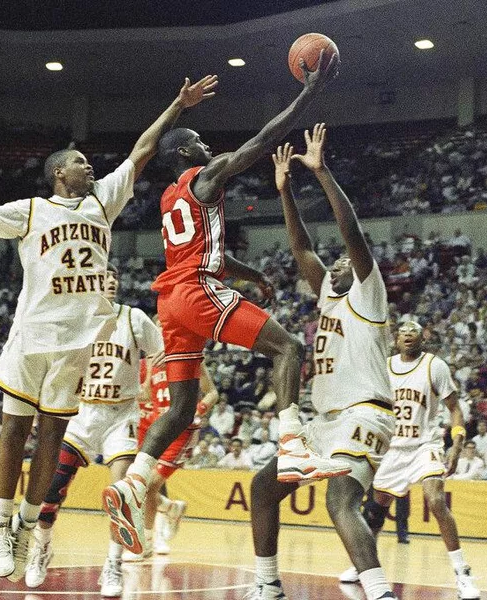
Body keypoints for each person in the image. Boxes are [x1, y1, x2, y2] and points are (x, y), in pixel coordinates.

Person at [0, 74, 218, 582]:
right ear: (60, 173)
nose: (89, 165)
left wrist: (178, 105)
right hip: (32, 332)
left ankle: (30, 523)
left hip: (78, 342)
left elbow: (143, 150)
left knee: (52, 437)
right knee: (15, 428)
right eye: (79, 161)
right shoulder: (31, 210)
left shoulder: (104, 199)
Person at [104, 53, 348, 557]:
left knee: (183, 407)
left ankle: (132, 484)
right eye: (197, 140)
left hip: (170, 300)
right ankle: (291, 444)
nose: (206, 142)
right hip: (195, 292)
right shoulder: (205, 173)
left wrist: (252, 273)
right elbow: (260, 142)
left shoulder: (171, 197)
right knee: (288, 349)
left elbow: (206, 250)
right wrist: (309, 94)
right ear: (183, 152)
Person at [248, 125, 397, 600]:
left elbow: (350, 233)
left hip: (364, 412)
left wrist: (321, 171)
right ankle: (268, 583)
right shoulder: (328, 299)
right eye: (330, 264)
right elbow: (301, 248)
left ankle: (379, 592)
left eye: (343, 262)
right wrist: (285, 190)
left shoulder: (368, 294)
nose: (334, 264)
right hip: (326, 422)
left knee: (339, 500)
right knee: (263, 487)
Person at [22, 264, 163, 596]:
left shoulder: (133, 317)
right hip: (82, 413)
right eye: (105, 277)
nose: (111, 281)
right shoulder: (75, 319)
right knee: (52, 488)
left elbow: (160, 350)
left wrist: (146, 382)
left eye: (115, 277)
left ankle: (112, 563)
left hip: (120, 414)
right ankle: (42, 545)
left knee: (123, 494)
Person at [337, 320, 479, 599]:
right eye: (403, 333)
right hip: (393, 449)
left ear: (422, 338)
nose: (408, 336)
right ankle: (362, 566)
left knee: (436, 501)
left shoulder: (434, 366)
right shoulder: (385, 368)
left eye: (413, 332)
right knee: (375, 512)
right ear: (396, 339)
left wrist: (456, 446)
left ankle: (463, 574)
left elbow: (455, 410)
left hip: (424, 445)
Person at [129, 340, 218, 559]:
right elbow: (146, 395)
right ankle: (162, 520)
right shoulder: (151, 361)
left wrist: (198, 411)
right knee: (145, 487)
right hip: (160, 428)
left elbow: (212, 393)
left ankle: (154, 533)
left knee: (148, 485)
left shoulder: (191, 355)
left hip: (183, 430)